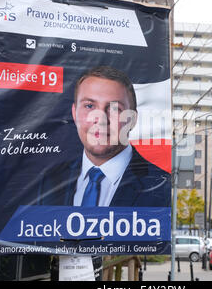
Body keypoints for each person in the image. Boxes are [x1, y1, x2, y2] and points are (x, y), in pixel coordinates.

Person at [37, 66, 170, 207]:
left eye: (114, 108)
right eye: (89, 106)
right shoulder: (51, 181)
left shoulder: (162, 187)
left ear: (132, 119)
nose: (100, 119)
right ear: (74, 113)